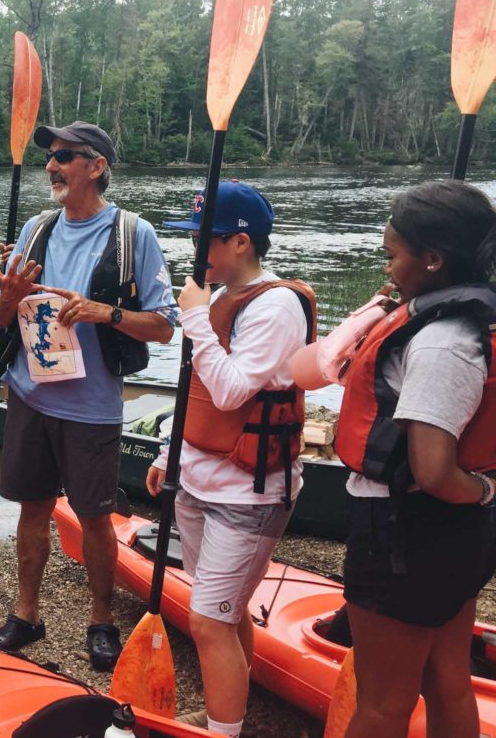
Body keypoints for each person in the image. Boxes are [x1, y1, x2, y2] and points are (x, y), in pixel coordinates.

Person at [0, 121, 177, 671]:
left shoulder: (132, 234)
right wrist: (9, 297)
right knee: (31, 508)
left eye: (65, 156)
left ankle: (102, 620)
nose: (52, 165)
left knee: (95, 518)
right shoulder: (37, 228)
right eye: (50, 155)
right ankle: (26, 614)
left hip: (92, 406)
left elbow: (164, 326)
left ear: (96, 166)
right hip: (28, 392)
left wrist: (102, 311)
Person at [146, 181, 316, 737]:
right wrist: (170, 450)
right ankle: (230, 709)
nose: (195, 250)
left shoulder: (277, 306)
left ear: (241, 242)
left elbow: (232, 392)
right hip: (199, 478)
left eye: (205, 240)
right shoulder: (220, 298)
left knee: (207, 619)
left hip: (249, 491)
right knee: (226, 611)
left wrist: (193, 317)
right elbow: (196, 390)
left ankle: (223, 731)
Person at [329, 180, 495, 738]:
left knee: (383, 703)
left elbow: (431, 468)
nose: (389, 269)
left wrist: (488, 492)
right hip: (452, 534)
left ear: (433, 260)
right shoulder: (460, 322)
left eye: (393, 258)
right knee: (446, 677)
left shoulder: (441, 342)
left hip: (406, 532)